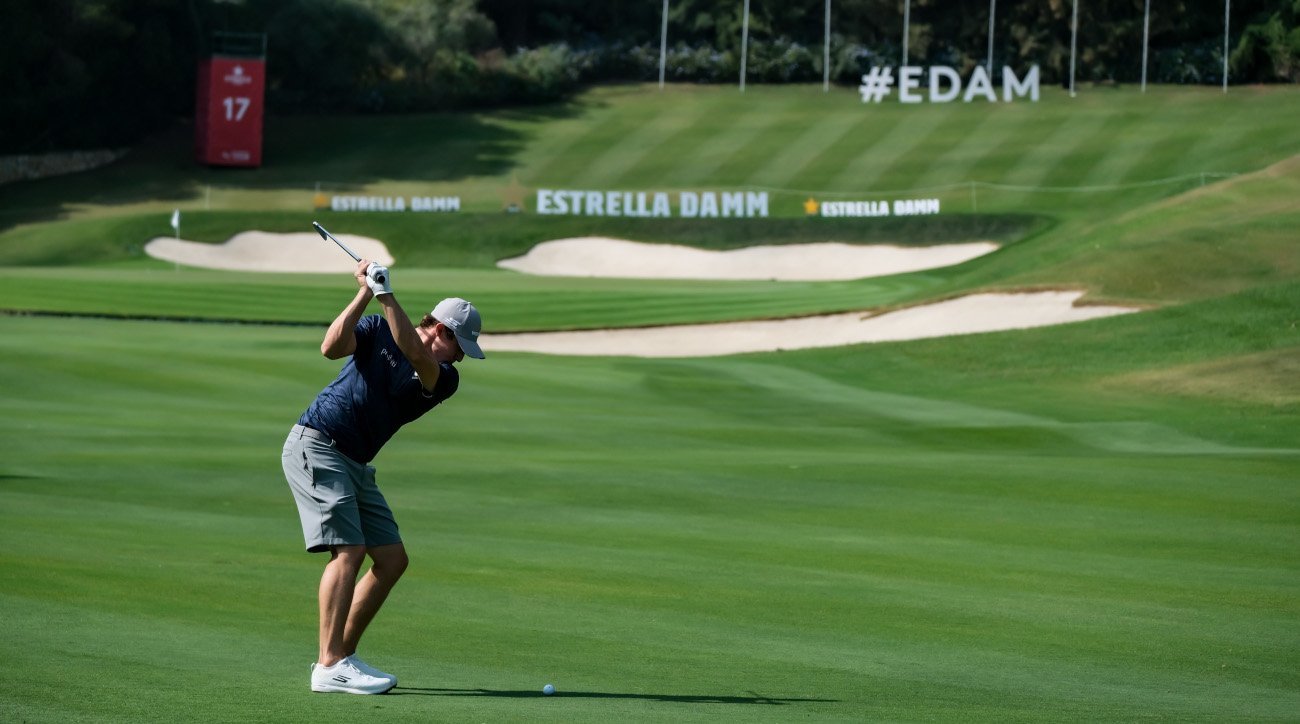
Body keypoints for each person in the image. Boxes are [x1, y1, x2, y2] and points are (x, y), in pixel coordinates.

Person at [281, 258, 484, 694]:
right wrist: (365, 292)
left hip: (354, 462)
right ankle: (329, 665)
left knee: (392, 558)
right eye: (460, 346)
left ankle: (342, 654)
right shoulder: (376, 328)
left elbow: (415, 353)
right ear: (442, 331)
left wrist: (385, 293)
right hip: (318, 443)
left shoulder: (445, 378)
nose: (461, 356)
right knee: (350, 551)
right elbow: (331, 347)